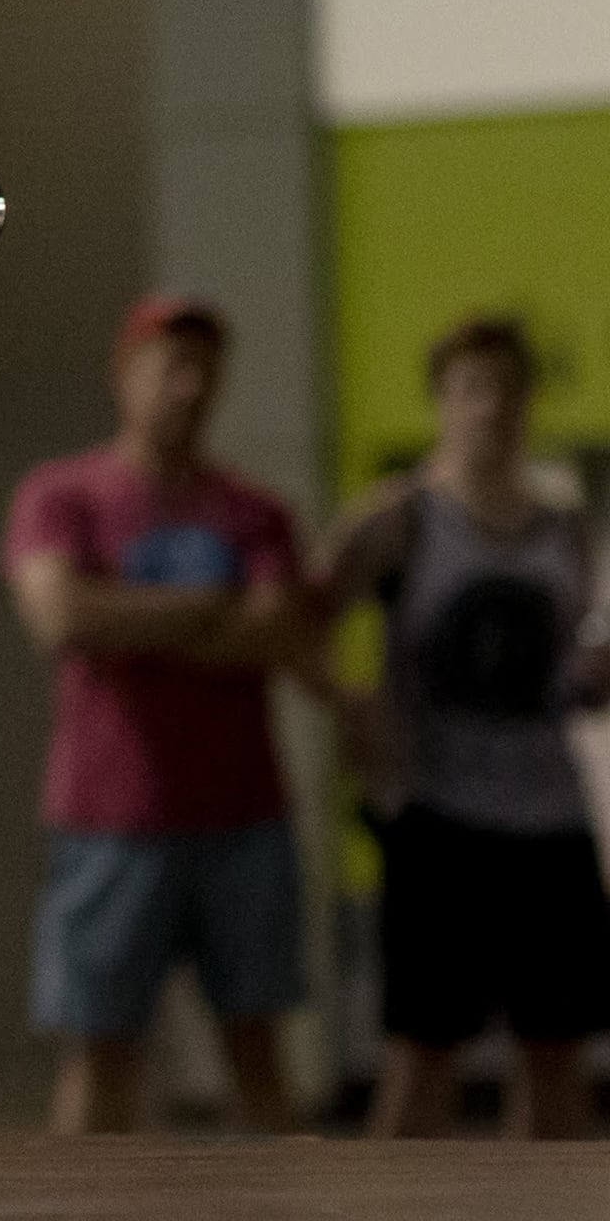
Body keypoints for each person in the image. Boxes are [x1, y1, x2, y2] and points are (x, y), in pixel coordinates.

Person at [3, 294, 318, 1133]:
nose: (189, 387)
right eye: (172, 367)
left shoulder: (255, 511)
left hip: (242, 815)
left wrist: (127, 623)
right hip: (109, 818)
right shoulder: (62, 496)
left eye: (205, 370)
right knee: (102, 1052)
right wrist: (209, 607)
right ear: (125, 374)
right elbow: (61, 617)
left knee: (257, 1050)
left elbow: (275, 630)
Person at [317, 314, 609, 1139]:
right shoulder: (399, 517)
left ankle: (545, 1199)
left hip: (548, 817)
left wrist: (590, 678)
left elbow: (575, 662)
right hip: (440, 818)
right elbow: (303, 617)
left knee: (557, 1056)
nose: (492, 407)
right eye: (473, 388)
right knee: (422, 1056)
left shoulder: (563, 527)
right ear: (443, 400)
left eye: (509, 389)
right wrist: (352, 708)